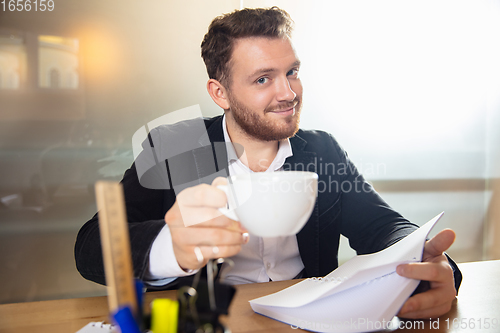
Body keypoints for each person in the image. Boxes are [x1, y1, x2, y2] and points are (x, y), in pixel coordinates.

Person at [75, 7, 461, 320]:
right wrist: (169, 247)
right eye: (263, 79)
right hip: (213, 320)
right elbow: (92, 246)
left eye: (291, 71)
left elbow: (385, 226)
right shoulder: (173, 147)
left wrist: (424, 258)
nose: (288, 93)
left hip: (306, 321)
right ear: (220, 93)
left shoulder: (322, 151)